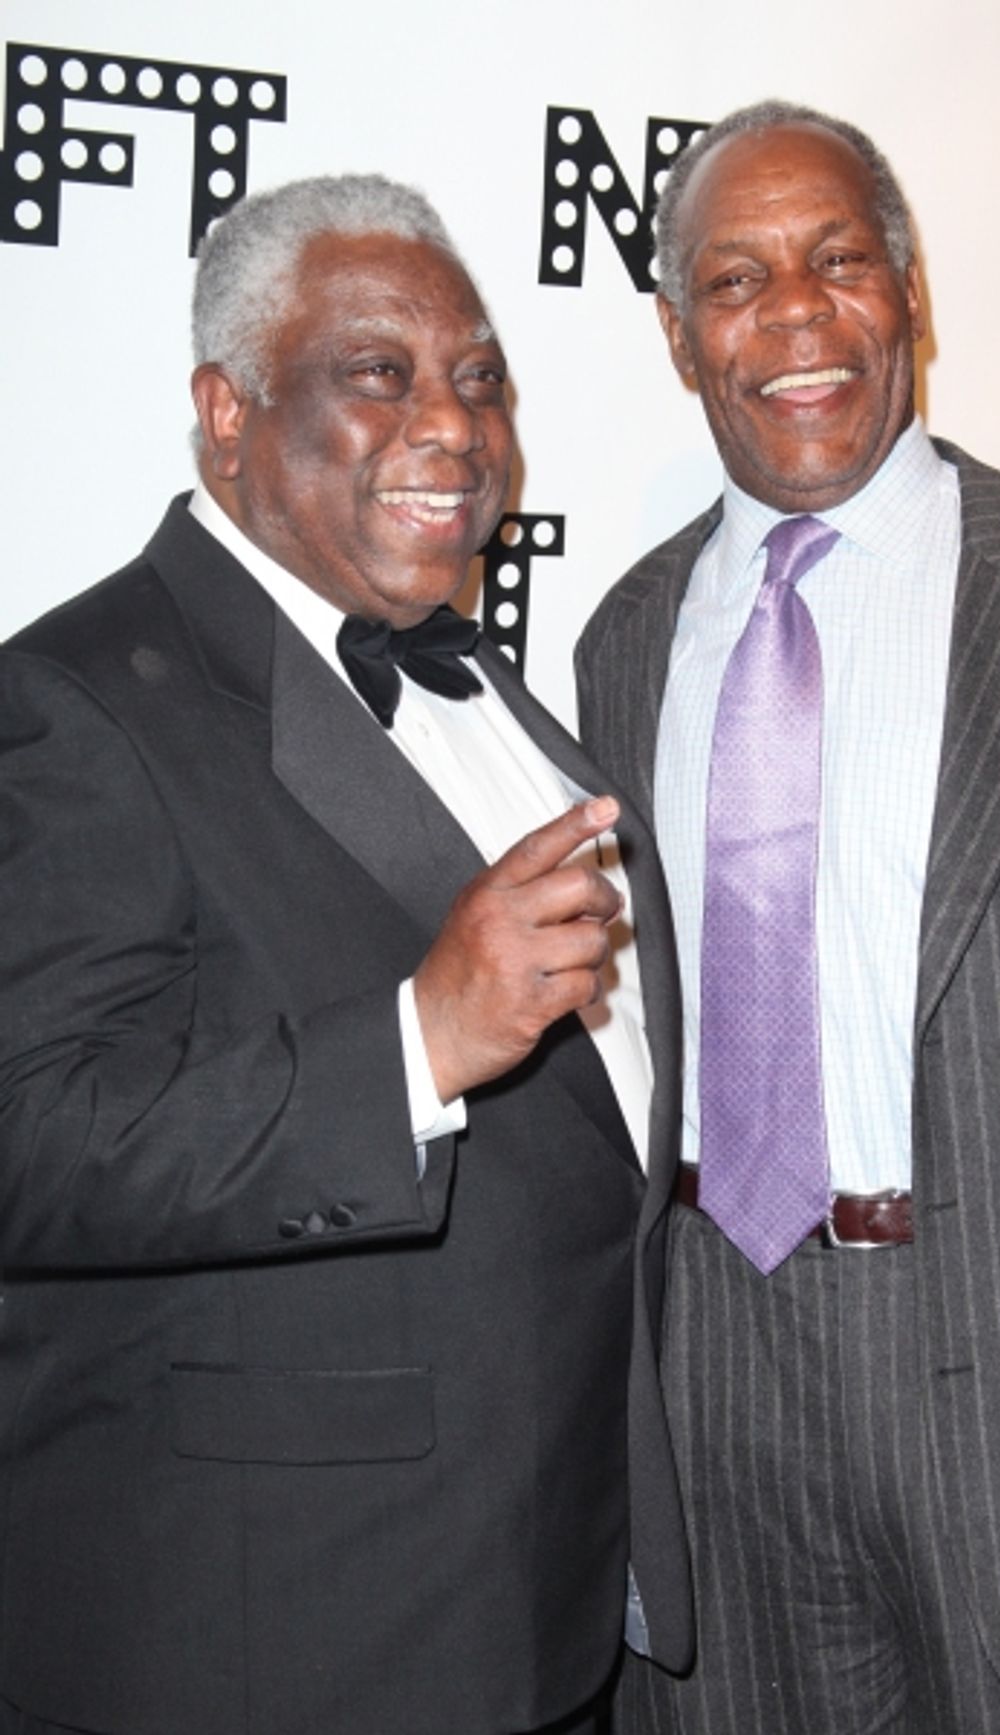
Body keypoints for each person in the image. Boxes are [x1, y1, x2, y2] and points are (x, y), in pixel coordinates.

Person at [0, 173, 691, 1735]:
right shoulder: (73, 701)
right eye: (379, 373)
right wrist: (417, 1043)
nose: (451, 425)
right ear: (224, 412)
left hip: (543, 1607)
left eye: (478, 380)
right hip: (277, 1639)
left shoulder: (509, 703)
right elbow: (27, 1139)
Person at [576, 101, 1000, 1735]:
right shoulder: (623, 640)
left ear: (908, 293)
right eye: (735, 279)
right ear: (675, 335)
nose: (793, 315)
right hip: (725, 1368)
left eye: (839, 261)